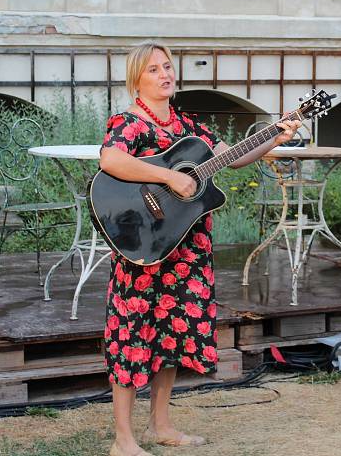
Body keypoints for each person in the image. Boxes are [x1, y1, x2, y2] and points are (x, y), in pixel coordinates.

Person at [98, 41, 300, 456]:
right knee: (132, 336)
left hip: (187, 249)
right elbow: (110, 161)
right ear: (137, 78)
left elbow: (235, 158)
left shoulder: (189, 129)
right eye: (153, 69)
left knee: (172, 335)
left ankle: (162, 425)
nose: (164, 74)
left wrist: (276, 133)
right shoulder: (129, 122)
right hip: (145, 248)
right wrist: (171, 179)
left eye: (168, 67)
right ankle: (123, 439)